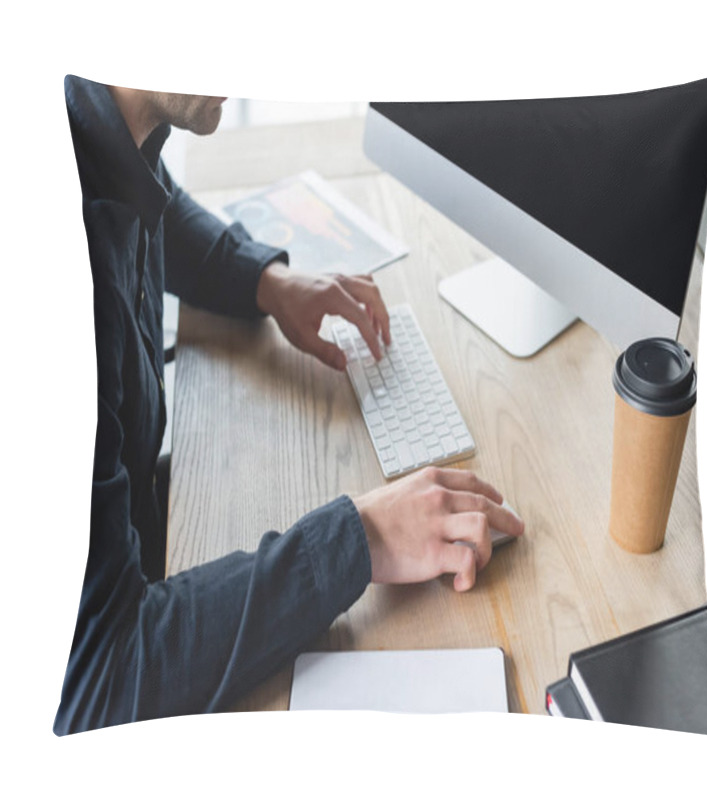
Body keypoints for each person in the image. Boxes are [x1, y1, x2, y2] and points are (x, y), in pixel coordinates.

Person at [55, 75, 524, 735]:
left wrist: (265, 281)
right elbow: (97, 683)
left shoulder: (96, 125)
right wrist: (362, 538)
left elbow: (148, 197)